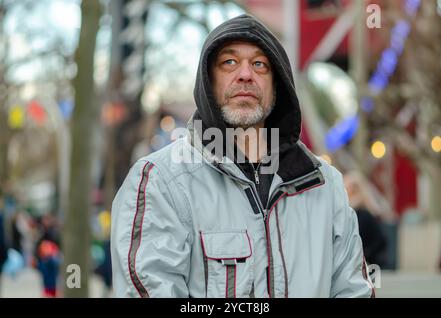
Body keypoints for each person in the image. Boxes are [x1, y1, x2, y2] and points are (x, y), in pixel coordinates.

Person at [111, 14, 374, 298]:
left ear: (278, 85)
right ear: (208, 81)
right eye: (229, 62)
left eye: (260, 64)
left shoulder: (326, 186)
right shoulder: (159, 181)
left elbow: (353, 291)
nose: (245, 74)